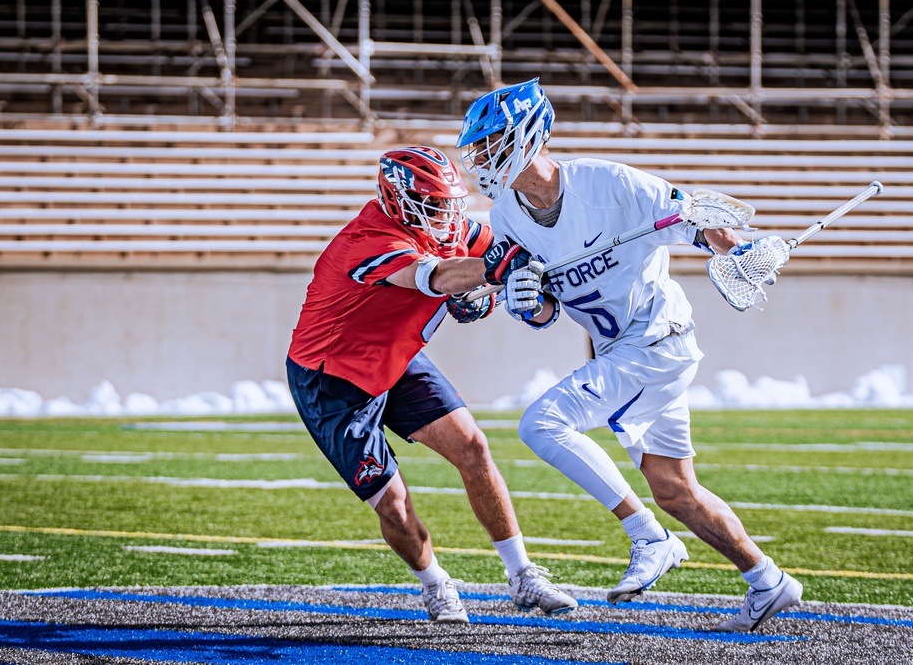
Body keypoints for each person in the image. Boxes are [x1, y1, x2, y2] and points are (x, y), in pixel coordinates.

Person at [455, 79, 802, 632]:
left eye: (491, 140)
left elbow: (692, 216)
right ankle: (767, 581)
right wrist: (527, 303)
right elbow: (544, 311)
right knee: (674, 489)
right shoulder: (507, 218)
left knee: (542, 423)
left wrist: (739, 250)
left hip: (656, 340)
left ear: (527, 134)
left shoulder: (606, 181)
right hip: (620, 350)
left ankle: (649, 538)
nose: (481, 156)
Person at [285, 145, 578, 623]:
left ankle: (523, 576)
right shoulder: (366, 241)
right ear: (399, 201)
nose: (447, 217)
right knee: (395, 504)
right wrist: (488, 275)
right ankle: (436, 584)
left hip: (397, 362)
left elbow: (514, 257)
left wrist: (509, 284)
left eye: (449, 203)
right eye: (435, 205)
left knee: (474, 448)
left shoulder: (447, 226)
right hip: (333, 380)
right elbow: (435, 275)